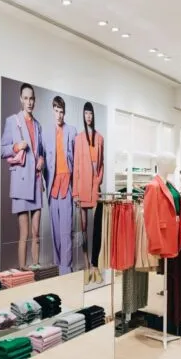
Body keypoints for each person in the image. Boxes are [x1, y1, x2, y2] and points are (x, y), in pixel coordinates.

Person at [0, 83, 45, 269]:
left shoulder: (38, 125)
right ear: (21, 99)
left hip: (35, 181)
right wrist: (16, 146)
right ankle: (22, 274)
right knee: (24, 234)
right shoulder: (13, 121)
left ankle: (36, 271)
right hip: (21, 182)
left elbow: (40, 152)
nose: (29, 102)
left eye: (31, 98)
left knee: (36, 233)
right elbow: (2, 150)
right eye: (26, 98)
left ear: (35, 100)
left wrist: (41, 159)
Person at [42, 96, 76, 274]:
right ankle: (59, 268)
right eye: (56, 111)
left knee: (66, 231)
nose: (59, 115)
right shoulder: (46, 133)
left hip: (67, 185)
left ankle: (66, 271)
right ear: (52, 111)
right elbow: (41, 158)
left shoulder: (72, 131)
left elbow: (77, 162)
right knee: (55, 232)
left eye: (61, 112)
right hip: (53, 186)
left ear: (65, 113)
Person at [73, 102, 104, 282]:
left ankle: (95, 265)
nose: (88, 116)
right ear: (83, 116)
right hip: (82, 187)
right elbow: (76, 166)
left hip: (95, 187)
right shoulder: (78, 138)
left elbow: (101, 164)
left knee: (96, 228)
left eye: (90, 113)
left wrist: (98, 180)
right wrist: (75, 193)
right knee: (83, 228)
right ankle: (86, 267)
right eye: (86, 113)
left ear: (93, 115)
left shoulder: (100, 138)